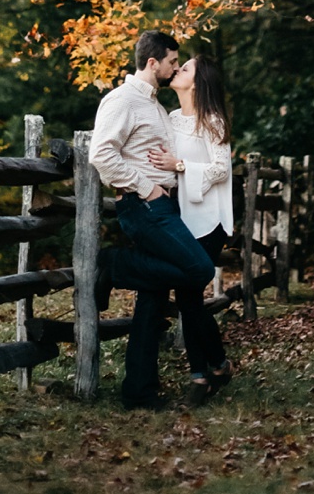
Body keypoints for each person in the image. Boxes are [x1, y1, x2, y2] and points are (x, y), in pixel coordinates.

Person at [89, 29, 218, 409]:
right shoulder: (122, 100)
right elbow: (101, 155)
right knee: (200, 270)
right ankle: (114, 264)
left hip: (163, 207)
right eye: (172, 62)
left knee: (153, 297)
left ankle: (138, 392)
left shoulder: (157, 108)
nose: (175, 67)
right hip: (144, 207)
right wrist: (145, 187)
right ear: (152, 62)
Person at [144, 49, 236, 406]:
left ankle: (205, 373)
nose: (177, 71)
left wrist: (180, 165)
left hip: (210, 220)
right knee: (188, 298)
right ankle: (212, 368)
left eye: (184, 68)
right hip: (180, 217)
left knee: (188, 297)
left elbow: (220, 170)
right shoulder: (169, 118)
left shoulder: (212, 121)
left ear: (198, 83)